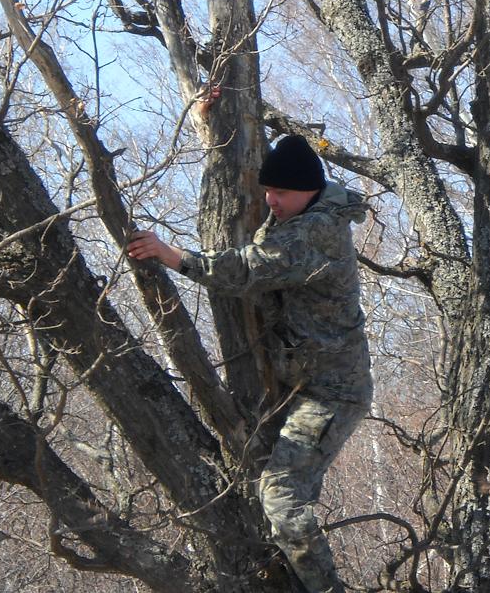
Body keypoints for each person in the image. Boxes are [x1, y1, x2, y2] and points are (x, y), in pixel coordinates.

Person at [127, 135, 373, 593]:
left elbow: (247, 270)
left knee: (281, 495)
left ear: (309, 189)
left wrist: (171, 256)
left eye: (280, 192)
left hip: (332, 393)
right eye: (267, 191)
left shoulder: (316, 232)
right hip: (299, 384)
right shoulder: (300, 216)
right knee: (282, 498)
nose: (270, 201)